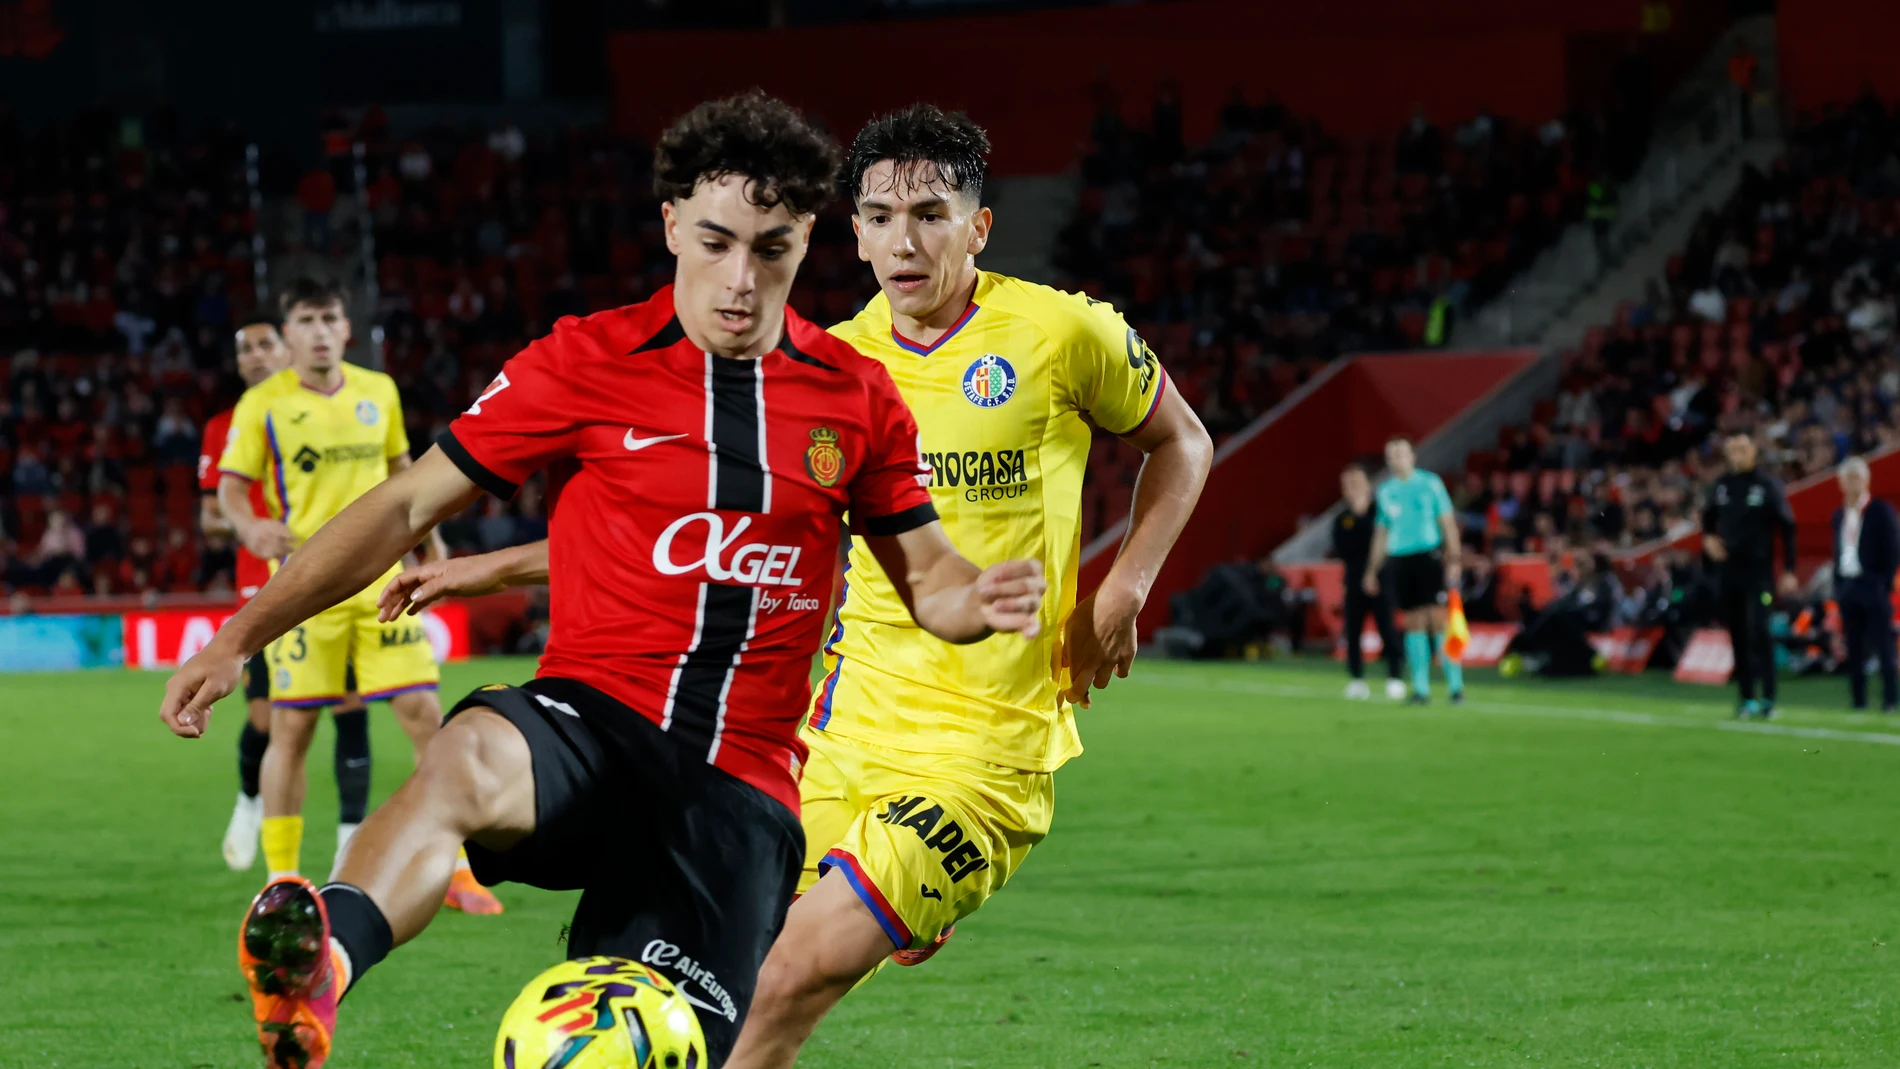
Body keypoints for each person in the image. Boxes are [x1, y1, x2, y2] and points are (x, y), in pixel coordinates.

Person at [158, 92, 1049, 1069]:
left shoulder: (855, 395)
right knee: (463, 758)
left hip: (738, 791)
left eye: (772, 248)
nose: (740, 280)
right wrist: (240, 632)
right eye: (715, 242)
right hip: (590, 725)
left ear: (807, 241)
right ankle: (327, 957)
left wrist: (984, 600)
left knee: (658, 1049)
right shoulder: (584, 361)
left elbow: (934, 581)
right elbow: (404, 508)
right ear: (671, 225)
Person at [375, 104, 1211, 1069]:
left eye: (933, 215)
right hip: (830, 742)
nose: (906, 242)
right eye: (882, 218)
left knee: (785, 979)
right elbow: (698, 535)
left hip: (981, 756)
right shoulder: (830, 370)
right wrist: (483, 567)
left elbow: (1182, 440)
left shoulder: (1064, 333)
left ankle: (899, 894)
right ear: (850, 232)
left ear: (979, 226)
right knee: (705, 978)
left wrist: (1120, 590)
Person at [211, 278, 498, 914]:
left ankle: (455, 867)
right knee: (294, 728)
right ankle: (281, 881)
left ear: (347, 329)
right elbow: (230, 487)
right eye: (306, 320)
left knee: (426, 715)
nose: (318, 331)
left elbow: (404, 477)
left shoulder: (379, 391)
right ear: (288, 336)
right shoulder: (263, 404)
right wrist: (249, 522)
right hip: (305, 586)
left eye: (328, 318)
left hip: (382, 580)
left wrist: (431, 538)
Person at [200, 313, 372, 873]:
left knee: (349, 703)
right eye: (244, 348)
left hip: (332, 580)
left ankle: (350, 841)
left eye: (264, 344)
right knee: (270, 718)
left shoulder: (332, 411)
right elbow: (210, 515)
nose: (255, 355)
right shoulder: (226, 424)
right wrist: (251, 525)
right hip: (264, 580)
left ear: (287, 347)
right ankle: (250, 800)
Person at [1700, 433, 1799, 718]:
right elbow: (1707, 522)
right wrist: (1708, 540)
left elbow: (1788, 527)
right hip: (1729, 571)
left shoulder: (1767, 485)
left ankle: (1769, 698)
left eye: (1743, 449)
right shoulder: (1720, 487)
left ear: (1754, 451)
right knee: (1738, 634)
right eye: (1732, 450)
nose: (1737, 455)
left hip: (1759, 572)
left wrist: (1790, 569)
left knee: (1760, 631)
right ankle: (1746, 699)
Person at [1363, 437, 1464, 704]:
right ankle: (1421, 688)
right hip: (1400, 560)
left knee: (1439, 619)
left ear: (1412, 457)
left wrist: (1454, 558)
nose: (1397, 459)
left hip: (1428, 556)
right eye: (1392, 455)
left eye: (1401, 454)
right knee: (1412, 622)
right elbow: (1381, 534)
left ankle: (1455, 685)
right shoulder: (1386, 491)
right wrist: (1372, 569)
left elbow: (1447, 522)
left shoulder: (1430, 484)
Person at [1332, 462, 1406, 699]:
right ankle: (1356, 679)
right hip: (1353, 581)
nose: (1351, 487)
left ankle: (1394, 677)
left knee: (1388, 629)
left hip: (1382, 579)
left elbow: (1388, 542)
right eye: (1347, 483)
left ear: (1367, 483)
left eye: (1355, 481)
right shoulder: (1342, 518)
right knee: (1353, 632)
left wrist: (1373, 573)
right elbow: (1343, 550)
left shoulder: (1380, 511)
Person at [1830, 456, 1899, 711]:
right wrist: (1838, 585)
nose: (1852, 484)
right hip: (1848, 587)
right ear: (1841, 483)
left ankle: (1890, 700)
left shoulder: (1880, 510)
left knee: (1883, 646)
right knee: (1855, 648)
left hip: (1873, 586)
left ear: (1867, 480)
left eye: (1857, 478)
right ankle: (1858, 700)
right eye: (1848, 479)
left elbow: (1893, 550)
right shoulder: (1839, 515)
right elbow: (1837, 551)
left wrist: (1883, 582)